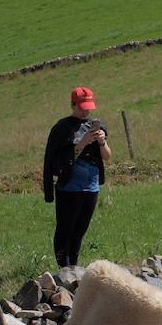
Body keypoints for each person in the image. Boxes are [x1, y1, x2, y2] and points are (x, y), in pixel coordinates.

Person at [43, 86, 111, 268]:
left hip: (91, 187)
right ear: (72, 105)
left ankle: (74, 265)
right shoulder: (61, 129)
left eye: (88, 106)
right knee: (65, 229)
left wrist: (101, 141)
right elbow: (56, 161)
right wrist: (82, 143)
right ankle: (63, 269)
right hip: (69, 188)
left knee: (80, 230)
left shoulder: (98, 126)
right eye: (82, 107)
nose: (85, 110)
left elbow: (107, 156)